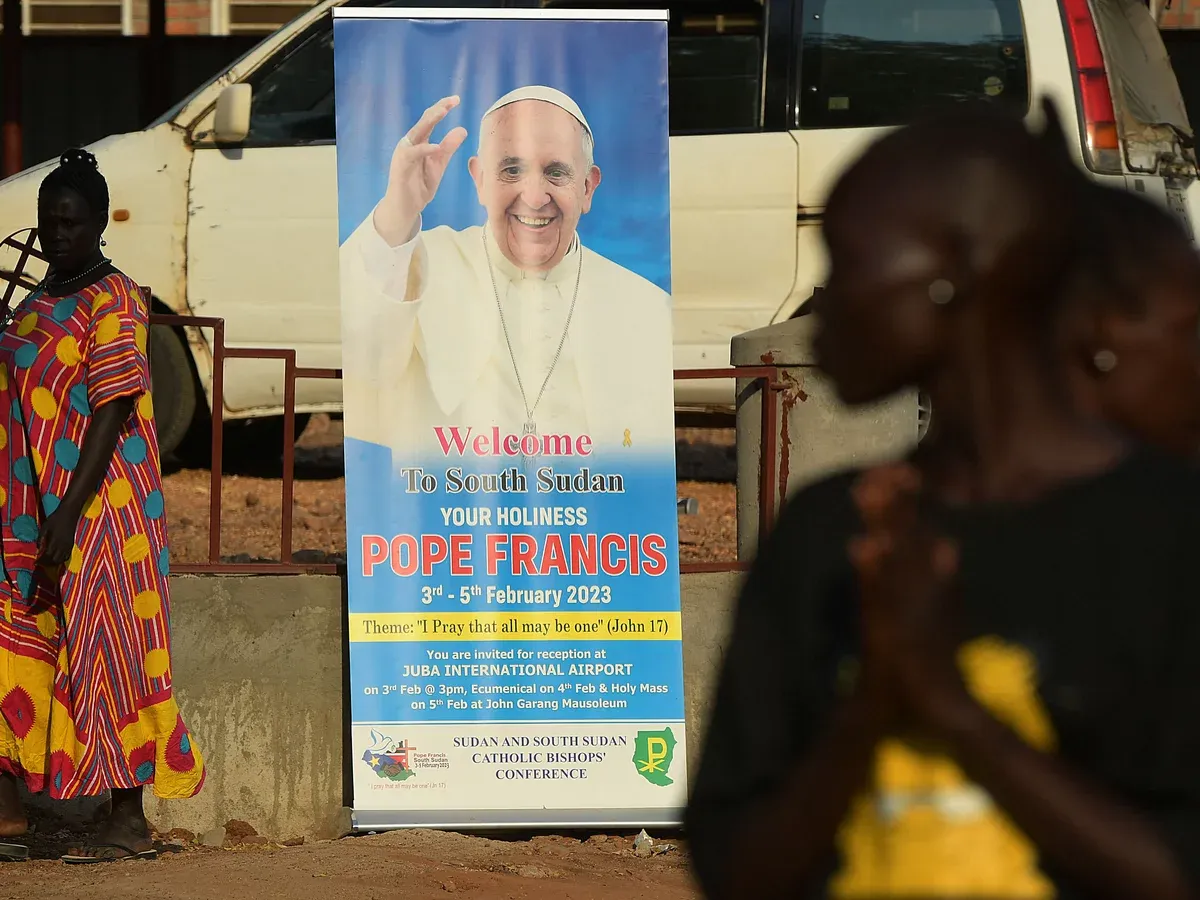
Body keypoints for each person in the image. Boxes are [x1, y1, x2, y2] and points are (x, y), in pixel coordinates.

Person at [687, 106, 1200, 900]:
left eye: (852, 259)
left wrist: (950, 708)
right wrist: (868, 711)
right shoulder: (829, 535)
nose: (826, 295)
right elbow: (736, 870)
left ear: (954, 270)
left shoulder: (1167, 538)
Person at [0, 149, 204, 864]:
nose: (57, 235)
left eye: (71, 223)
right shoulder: (32, 303)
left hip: (103, 509)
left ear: (98, 225)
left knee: (113, 648)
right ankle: (10, 816)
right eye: (47, 222)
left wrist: (70, 511)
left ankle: (127, 821)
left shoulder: (115, 299)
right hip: (29, 507)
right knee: (17, 639)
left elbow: (115, 407)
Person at [338, 86, 675, 465]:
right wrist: (396, 214)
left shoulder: (643, 305)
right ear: (480, 179)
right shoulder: (421, 262)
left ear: (587, 187)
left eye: (556, 172)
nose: (533, 197)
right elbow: (363, 358)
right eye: (512, 170)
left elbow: (646, 460)